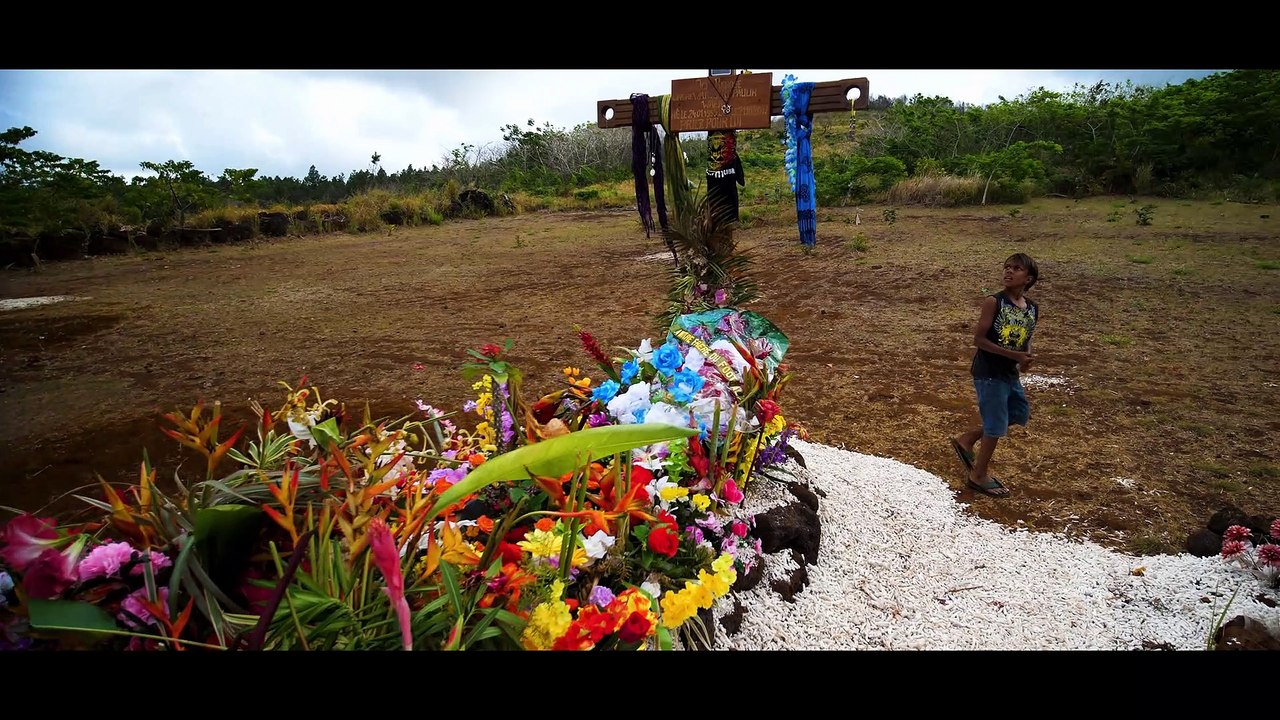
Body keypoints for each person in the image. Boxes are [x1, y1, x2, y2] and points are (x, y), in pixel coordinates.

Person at [951, 253, 1040, 497]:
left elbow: (1027, 336)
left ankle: (967, 439)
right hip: (989, 372)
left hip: (1009, 373)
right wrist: (1015, 357)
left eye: (1016, 269)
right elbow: (979, 340)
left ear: (1028, 278)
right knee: (995, 424)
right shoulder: (994, 302)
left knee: (1018, 413)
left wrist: (1026, 358)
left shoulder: (1031, 308)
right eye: (1007, 267)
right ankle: (977, 475)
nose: (1009, 272)